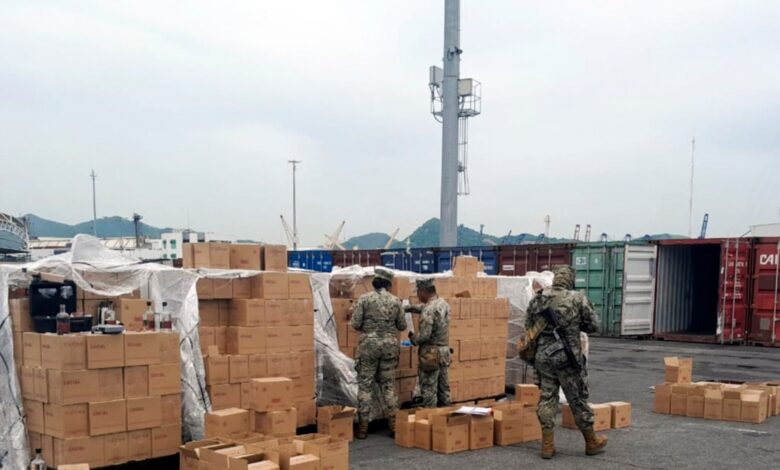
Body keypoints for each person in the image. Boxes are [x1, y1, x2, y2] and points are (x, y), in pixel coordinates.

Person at [523, 265, 606, 459]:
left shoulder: (538, 298)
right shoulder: (577, 298)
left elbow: (529, 329)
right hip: (567, 357)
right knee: (576, 398)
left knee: (547, 398)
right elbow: (593, 326)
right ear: (570, 280)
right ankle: (591, 441)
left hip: (543, 357)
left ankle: (547, 445)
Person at [350, 266, 406, 439]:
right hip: (389, 346)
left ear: (375, 282)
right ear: (389, 283)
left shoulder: (364, 299)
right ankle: (395, 426)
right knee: (388, 386)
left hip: (369, 346)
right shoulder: (396, 301)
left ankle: (363, 428)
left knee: (365, 385)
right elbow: (402, 326)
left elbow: (355, 323)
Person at [406, 278, 451, 408]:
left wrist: (414, 339)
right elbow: (423, 308)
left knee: (429, 390)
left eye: (418, 292)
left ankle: (431, 420)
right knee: (444, 388)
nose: (418, 296)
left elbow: (425, 335)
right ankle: (446, 417)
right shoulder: (443, 304)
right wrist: (407, 308)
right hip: (444, 352)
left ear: (423, 291)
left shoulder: (428, 310)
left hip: (431, 355)